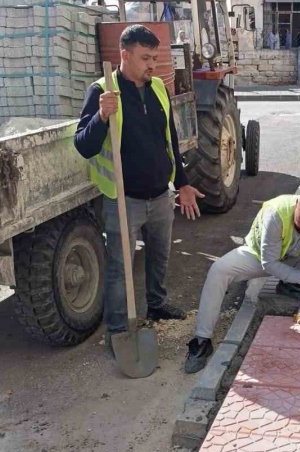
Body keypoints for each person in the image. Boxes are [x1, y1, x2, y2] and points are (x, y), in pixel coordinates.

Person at [73, 24, 204, 358]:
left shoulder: (158, 86)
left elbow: (170, 139)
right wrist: (102, 115)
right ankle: (118, 330)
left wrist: (183, 182)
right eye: (145, 58)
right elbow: (84, 146)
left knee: (159, 258)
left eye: (155, 57)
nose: (152, 65)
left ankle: (157, 306)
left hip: (161, 194)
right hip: (124, 199)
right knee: (120, 268)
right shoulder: (102, 90)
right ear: (124, 55)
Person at [184, 189, 300, 373]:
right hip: (259, 258)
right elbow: (269, 263)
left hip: (295, 258)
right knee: (219, 271)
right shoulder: (277, 214)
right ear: (296, 205)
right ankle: (202, 339)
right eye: (299, 224)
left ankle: (290, 285)